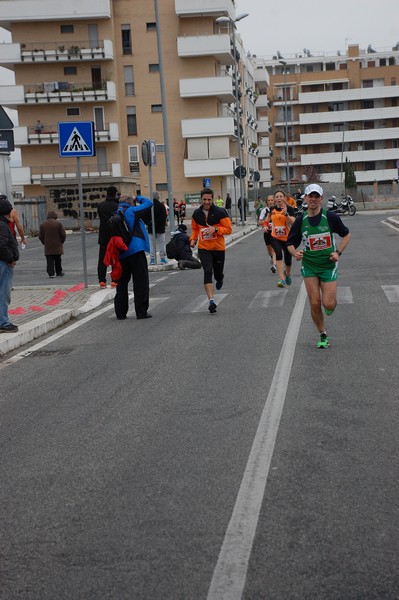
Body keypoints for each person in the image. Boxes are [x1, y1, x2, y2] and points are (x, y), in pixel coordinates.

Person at [287, 183, 351, 349]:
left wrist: (338, 253)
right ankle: (322, 333)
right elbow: (290, 243)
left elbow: (346, 234)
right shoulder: (301, 220)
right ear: (306, 198)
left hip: (328, 266)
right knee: (315, 303)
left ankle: (330, 305)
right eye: (310, 196)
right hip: (309, 266)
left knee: (328, 304)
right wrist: (295, 254)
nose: (313, 200)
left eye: (316, 197)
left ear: (321, 199)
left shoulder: (330, 217)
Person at [190, 188, 232, 314]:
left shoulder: (220, 212)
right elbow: (195, 229)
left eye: (209, 199)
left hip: (218, 248)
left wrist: (216, 230)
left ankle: (220, 278)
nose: (207, 202)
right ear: (201, 199)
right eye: (204, 199)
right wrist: (193, 239)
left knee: (218, 274)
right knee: (207, 271)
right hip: (204, 248)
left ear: (212, 199)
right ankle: (211, 301)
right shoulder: (196, 214)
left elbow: (229, 229)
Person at [113, 194, 153, 320]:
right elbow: (148, 203)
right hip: (135, 250)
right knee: (140, 282)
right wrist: (137, 197)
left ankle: (120, 313)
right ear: (131, 203)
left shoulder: (115, 213)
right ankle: (141, 312)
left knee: (122, 283)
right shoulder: (131, 211)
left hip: (121, 253)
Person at [262, 190, 295, 288]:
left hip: (287, 238)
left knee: (288, 260)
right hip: (275, 236)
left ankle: (287, 274)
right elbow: (266, 221)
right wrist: (265, 226)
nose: (279, 198)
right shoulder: (272, 209)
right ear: (275, 199)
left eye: (281, 196)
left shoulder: (289, 209)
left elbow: (293, 222)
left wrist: (286, 214)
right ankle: (281, 279)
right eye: (277, 197)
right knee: (278, 254)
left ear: (284, 198)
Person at [0, 197, 19, 333]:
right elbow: (2, 245)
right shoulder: (2, 225)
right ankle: (3, 322)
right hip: (4, 263)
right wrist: (10, 258)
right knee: (4, 294)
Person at [97, 185, 119, 288]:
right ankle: (114, 280)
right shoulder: (117, 205)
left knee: (102, 259)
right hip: (115, 235)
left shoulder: (100, 206)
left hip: (103, 236)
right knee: (115, 258)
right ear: (115, 194)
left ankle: (102, 281)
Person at [38, 211, 66, 278]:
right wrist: (61, 241)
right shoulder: (58, 224)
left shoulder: (43, 225)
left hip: (48, 246)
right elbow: (63, 234)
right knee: (58, 260)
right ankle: (59, 272)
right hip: (57, 245)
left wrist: (44, 243)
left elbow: (40, 236)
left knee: (49, 260)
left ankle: (51, 273)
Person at [146, 192, 168, 265]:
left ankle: (152, 259)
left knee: (152, 244)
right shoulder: (161, 206)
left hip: (150, 227)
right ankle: (162, 259)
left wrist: (149, 223)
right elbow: (164, 217)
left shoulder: (149, 206)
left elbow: (144, 216)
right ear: (158, 197)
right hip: (160, 228)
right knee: (161, 243)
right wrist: (158, 222)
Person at [259, 195, 276, 273]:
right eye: (269, 200)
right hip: (267, 232)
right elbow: (260, 221)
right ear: (267, 202)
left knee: (274, 249)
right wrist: (267, 223)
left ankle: (274, 265)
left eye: (272, 200)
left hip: (275, 232)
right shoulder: (264, 210)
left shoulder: (277, 209)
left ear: (274, 201)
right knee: (269, 251)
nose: (270, 202)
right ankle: (271, 257)